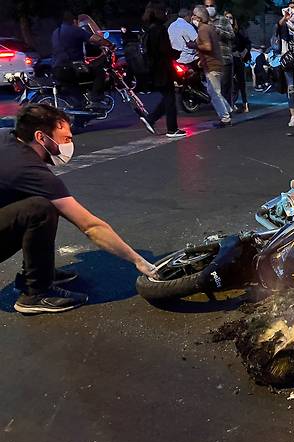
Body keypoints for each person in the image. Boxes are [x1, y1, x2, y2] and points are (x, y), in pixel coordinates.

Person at [0, 104, 156, 314]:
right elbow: (91, 226)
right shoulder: (28, 170)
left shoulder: (6, 138)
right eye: (66, 138)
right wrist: (139, 261)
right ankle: (36, 292)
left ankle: (39, 272)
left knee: (35, 201)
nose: (70, 144)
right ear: (41, 137)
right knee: (39, 209)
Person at [51, 11, 113, 108]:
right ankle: (95, 99)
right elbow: (96, 39)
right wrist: (110, 44)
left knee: (77, 95)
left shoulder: (56, 32)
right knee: (99, 72)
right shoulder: (75, 30)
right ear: (74, 21)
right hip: (72, 68)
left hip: (57, 69)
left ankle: (81, 115)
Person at [142, 2, 186, 138]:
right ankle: (172, 129)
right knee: (170, 97)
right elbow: (164, 50)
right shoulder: (159, 29)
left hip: (155, 68)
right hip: (163, 68)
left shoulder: (149, 29)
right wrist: (176, 53)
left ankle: (151, 118)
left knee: (168, 97)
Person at [189, 6, 232, 126]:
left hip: (212, 65)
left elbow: (208, 47)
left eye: (194, 15)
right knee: (213, 91)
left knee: (214, 93)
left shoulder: (203, 29)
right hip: (214, 63)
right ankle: (228, 110)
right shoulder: (209, 28)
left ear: (199, 17)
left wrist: (194, 46)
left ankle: (225, 118)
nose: (192, 18)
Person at [204, 0, 235, 107]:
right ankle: (223, 115)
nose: (209, 8)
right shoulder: (203, 22)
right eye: (207, 6)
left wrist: (218, 31)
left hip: (224, 59)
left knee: (225, 88)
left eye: (211, 6)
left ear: (215, 6)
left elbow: (232, 36)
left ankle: (228, 114)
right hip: (210, 61)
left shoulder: (223, 20)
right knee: (214, 90)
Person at [226, 11, 251, 112]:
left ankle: (245, 103)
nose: (229, 19)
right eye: (226, 17)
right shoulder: (222, 32)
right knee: (229, 83)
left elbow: (247, 43)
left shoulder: (238, 31)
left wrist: (244, 52)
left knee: (241, 82)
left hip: (237, 59)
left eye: (230, 17)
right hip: (228, 59)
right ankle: (231, 103)